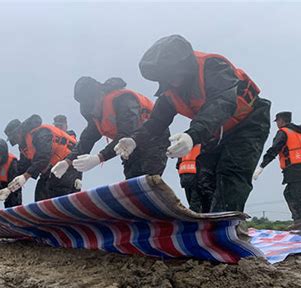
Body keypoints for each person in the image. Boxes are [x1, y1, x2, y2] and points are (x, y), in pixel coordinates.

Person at [114, 34, 271, 213]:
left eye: (173, 75)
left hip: (248, 122)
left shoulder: (213, 68)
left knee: (231, 174)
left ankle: (226, 228)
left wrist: (192, 135)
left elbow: (222, 103)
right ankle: (206, 226)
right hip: (215, 131)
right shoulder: (170, 93)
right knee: (204, 178)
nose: (172, 81)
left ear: (184, 66)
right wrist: (134, 140)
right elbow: (156, 123)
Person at [51, 77, 169, 180]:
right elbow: (85, 142)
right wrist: (67, 162)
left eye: (92, 104)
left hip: (154, 139)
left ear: (100, 94)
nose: (92, 110)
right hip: (129, 148)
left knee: (147, 181)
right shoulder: (97, 116)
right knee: (132, 182)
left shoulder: (123, 100)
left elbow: (127, 133)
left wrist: (99, 157)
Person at [253, 111, 301, 232]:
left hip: (297, 169)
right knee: (289, 193)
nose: (277, 124)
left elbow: (274, 149)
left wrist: (261, 166)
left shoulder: (283, 132)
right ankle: (300, 220)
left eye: (277, 121)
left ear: (281, 120)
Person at [0, 114, 80, 202]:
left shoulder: (41, 133)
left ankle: (64, 212)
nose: (14, 140)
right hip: (51, 171)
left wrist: (25, 177)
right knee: (40, 195)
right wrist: (8, 188)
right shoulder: (24, 147)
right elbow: (22, 167)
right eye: (12, 139)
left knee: (58, 194)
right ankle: (43, 214)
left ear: (20, 131)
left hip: (68, 168)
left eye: (14, 136)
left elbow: (43, 158)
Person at [177, 144, 202, 212]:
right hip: (196, 174)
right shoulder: (204, 142)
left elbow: (178, 163)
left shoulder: (185, 144)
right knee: (197, 202)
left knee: (190, 198)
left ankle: (192, 213)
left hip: (184, 174)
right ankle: (195, 217)